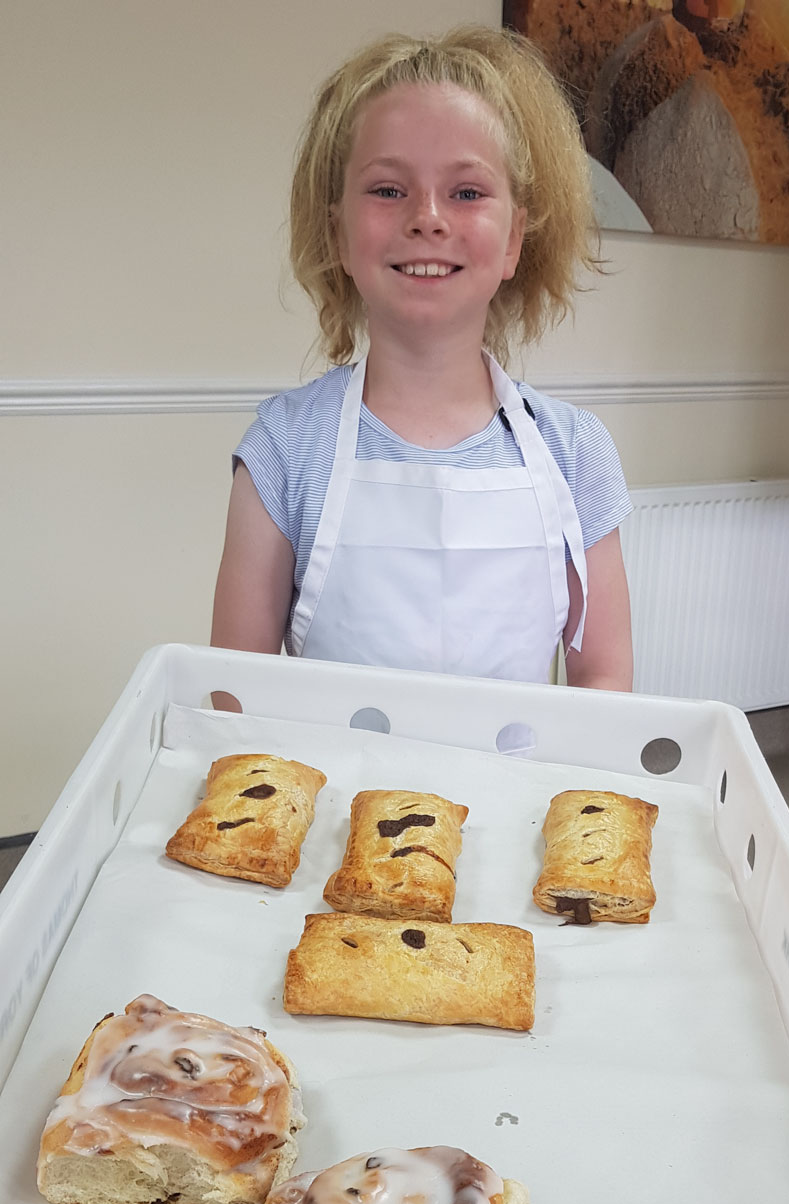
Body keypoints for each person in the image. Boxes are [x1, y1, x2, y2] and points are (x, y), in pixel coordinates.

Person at [211, 25, 634, 708]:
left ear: (513, 242)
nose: (427, 217)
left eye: (467, 192)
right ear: (338, 235)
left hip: (514, 811)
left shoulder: (575, 454)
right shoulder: (285, 451)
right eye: (387, 190)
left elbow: (604, 681)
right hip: (334, 812)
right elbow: (234, 694)